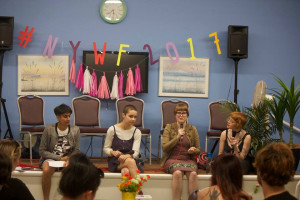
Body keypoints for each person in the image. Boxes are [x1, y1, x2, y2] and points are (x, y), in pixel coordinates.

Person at [39, 104, 80, 200]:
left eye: (69, 116)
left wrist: (69, 159)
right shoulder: (48, 129)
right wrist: (59, 158)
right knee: (46, 170)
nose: (68, 119)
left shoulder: (75, 130)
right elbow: (42, 150)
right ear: (58, 117)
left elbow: (77, 150)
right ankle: (46, 198)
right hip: (52, 158)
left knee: (75, 170)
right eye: (65, 116)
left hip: (69, 158)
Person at [162, 103, 200, 200]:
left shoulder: (192, 129)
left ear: (187, 115)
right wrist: (177, 137)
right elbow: (164, 148)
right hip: (172, 159)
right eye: (179, 113)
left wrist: (193, 150)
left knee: (193, 174)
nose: (181, 115)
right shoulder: (169, 127)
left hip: (188, 159)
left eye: (184, 113)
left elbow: (198, 150)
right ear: (175, 115)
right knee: (178, 173)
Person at [103, 104, 143, 178]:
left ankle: (129, 189)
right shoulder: (112, 129)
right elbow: (106, 148)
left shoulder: (137, 131)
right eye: (130, 116)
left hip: (130, 158)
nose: (133, 119)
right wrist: (112, 152)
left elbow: (136, 152)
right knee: (130, 162)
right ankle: (138, 188)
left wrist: (127, 156)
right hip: (115, 161)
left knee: (126, 171)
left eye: (135, 117)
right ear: (123, 115)